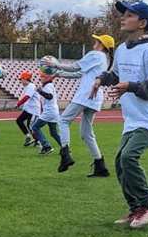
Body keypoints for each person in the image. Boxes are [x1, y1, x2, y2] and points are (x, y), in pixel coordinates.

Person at [91, 1, 148, 229]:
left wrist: (132, 86)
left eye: (129, 15)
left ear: (142, 23)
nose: (123, 18)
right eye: (123, 15)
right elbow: (115, 75)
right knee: (119, 162)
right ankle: (136, 208)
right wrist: (101, 79)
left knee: (128, 158)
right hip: (133, 118)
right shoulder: (123, 49)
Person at [42, 34, 115, 176]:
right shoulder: (104, 59)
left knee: (64, 120)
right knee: (86, 133)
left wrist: (54, 65)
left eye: (97, 40)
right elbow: (79, 73)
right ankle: (100, 166)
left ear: (101, 44)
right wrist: (58, 73)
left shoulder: (95, 54)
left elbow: (75, 67)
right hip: (95, 98)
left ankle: (65, 155)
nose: (95, 41)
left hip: (85, 95)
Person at [30, 71, 62, 155]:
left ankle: (46, 146)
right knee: (54, 133)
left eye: (42, 77)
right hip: (54, 111)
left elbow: (49, 96)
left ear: (46, 78)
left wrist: (40, 91)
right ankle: (65, 148)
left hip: (49, 111)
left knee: (35, 127)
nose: (40, 78)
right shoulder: (48, 85)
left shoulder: (47, 86)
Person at [14, 70, 40, 147]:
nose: (21, 81)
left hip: (33, 110)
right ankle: (28, 136)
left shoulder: (31, 86)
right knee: (19, 121)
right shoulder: (27, 87)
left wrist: (18, 104)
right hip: (28, 109)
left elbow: (27, 97)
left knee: (31, 126)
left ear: (25, 79)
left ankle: (38, 141)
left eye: (21, 79)